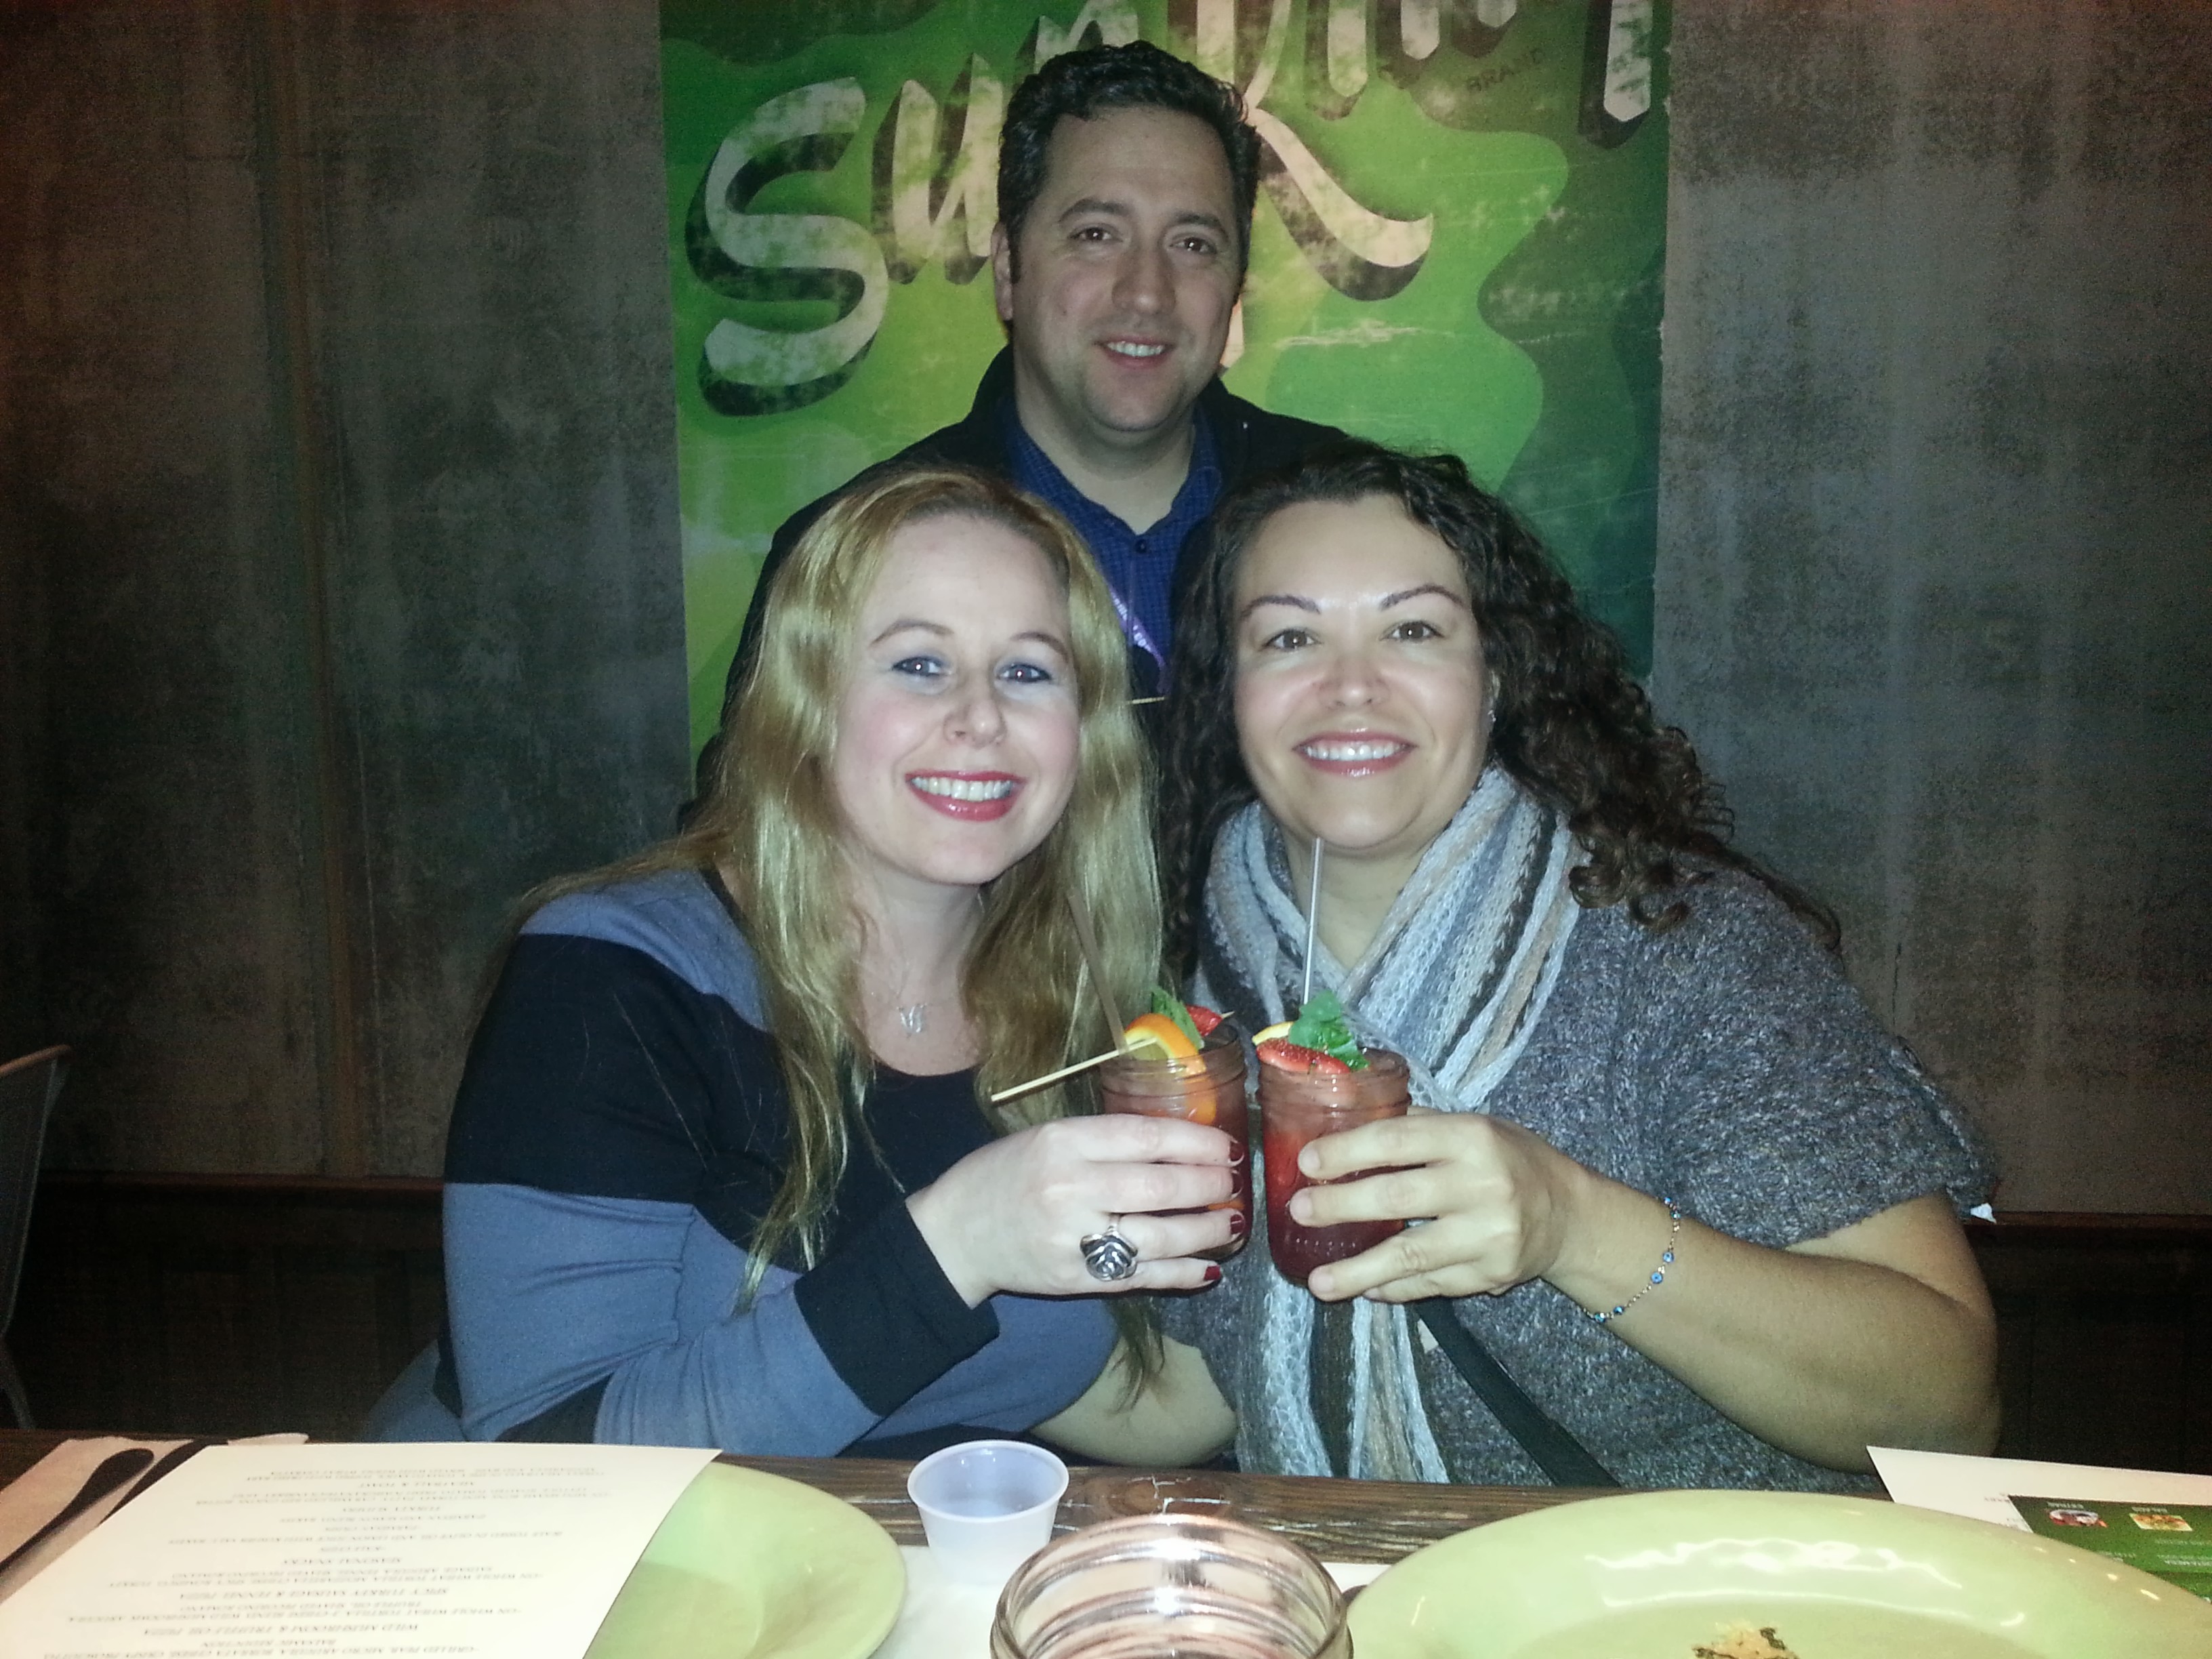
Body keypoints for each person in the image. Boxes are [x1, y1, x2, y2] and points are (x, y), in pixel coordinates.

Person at [1137, 441, 2001, 1490]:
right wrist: (979, 1248)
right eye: (1288, 638)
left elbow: (1944, 1410)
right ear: (1230, 691)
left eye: (1414, 630)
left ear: (1495, 677)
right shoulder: (1194, 998)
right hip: (1361, 1570)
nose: (1350, 686)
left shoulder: (1686, 949)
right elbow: (1192, 1396)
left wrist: (1574, 1226)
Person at [368, 466, 1239, 1453]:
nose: (982, 716)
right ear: (808, 699)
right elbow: (548, 1453)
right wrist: (958, 1242)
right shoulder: (614, 974)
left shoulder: (1068, 1004)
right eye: (920, 663)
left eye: (1029, 672)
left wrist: (1324, 1234)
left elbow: (1126, 1404)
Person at [693, 41, 1346, 803]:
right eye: (1096, 234)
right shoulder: (851, 551)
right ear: (1008, 268)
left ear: (1235, 284)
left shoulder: (1350, 516)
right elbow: (753, 835)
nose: (1147, 291)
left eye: (1193, 244)